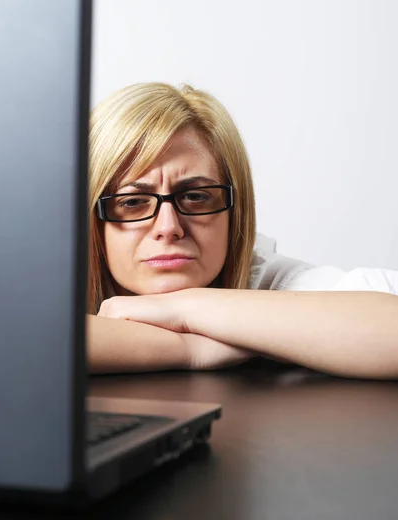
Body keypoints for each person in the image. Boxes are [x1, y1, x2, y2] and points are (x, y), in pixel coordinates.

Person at [86, 82, 398, 379]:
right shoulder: (55, 275)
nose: (169, 228)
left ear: (235, 211)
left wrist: (183, 310)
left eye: (196, 196)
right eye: (132, 202)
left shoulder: (264, 277)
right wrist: (186, 348)